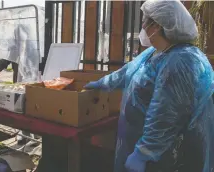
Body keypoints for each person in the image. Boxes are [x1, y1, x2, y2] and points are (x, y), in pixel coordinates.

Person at [85, 0, 214, 172]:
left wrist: (145, 152)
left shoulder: (182, 61)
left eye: (147, 20)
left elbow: (167, 113)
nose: (143, 25)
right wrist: (102, 83)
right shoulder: (154, 52)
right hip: (143, 144)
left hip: (168, 155)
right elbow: (127, 72)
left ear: (160, 26)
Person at [0, 24, 40, 145]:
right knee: (20, 109)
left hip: (33, 83)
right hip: (18, 84)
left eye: (19, 34)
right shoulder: (15, 47)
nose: (17, 37)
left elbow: (38, 65)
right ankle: (25, 135)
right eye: (16, 35)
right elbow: (5, 61)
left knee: (32, 110)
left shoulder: (34, 47)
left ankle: (36, 135)